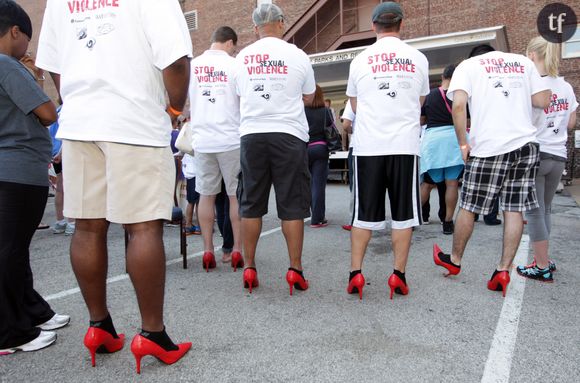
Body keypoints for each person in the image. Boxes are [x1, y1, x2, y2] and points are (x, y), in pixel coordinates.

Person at [36, 0, 193, 373]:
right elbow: (175, 61)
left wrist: (80, 100)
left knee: (87, 226)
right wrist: (173, 110)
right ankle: (152, 334)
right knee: (143, 226)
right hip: (134, 120)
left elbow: (54, 66)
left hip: (79, 123)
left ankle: (99, 327)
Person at [433, 44, 551, 296]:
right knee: (514, 208)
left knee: (470, 206)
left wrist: (463, 142)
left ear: (474, 56)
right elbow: (543, 100)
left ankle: (454, 260)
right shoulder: (522, 63)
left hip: (489, 146)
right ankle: (503, 270)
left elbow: (458, 106)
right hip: (526, 144)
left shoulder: (468, 66)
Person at [345, 2, 428, 300]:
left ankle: (356, 273)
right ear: (401, 24)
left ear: (374, 26)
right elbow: (419, 102)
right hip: (404, 146)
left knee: (363, 215)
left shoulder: (359, 60)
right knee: (404, 215)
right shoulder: (418, 58)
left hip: (369, 147)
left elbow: (354, 106)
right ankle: (398, 275)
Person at [0, 0, 69, 355]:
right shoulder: (6, 65)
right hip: (15, 168)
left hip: (16, 168)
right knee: (9, 250)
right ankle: (10, 332)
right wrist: (34, 80)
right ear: (15, 32)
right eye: (27, 38)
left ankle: (31, 310)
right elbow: (45, 112)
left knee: (15, 249)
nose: (28, 47)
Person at [233, 3, 316, 295]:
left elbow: (237, 96)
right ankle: (295, 269)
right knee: (292, 203)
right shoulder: (297, 55)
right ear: (281, 23)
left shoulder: (241, 58)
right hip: (288, 134)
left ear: (255, 27)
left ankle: (250, 267)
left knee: (251, 202)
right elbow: (309, 95)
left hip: (252, 134)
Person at [517, 37, 578, 282]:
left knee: (534, 212)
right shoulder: (566, 87)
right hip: (558, 155)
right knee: (546, 209)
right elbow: (572, 123)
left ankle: (541, 265)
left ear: (532, 55)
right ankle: (544, 259)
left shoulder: (532, 85)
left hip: (537, 154)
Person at [189, 26, 243, 271]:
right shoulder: (234, 65)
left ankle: (208, 250)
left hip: (203, 139)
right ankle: (237, 250)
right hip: (230, 138)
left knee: (206, 196)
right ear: (230, 42)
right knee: (234, 195)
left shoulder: (193, 66)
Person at [419, 64, 463, 234]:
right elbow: (465, 122)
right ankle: (448, 222)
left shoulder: (429, 95)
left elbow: (421, 120)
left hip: (433, 141)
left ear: (444, 76)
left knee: (427, 184)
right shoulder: (460, 95)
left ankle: (411, 217)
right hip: (453, 140)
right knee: (452, 184)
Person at [305, 85, 332, 228]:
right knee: (319, 185)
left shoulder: (301, 111)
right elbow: (330, 128)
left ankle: (308, 213)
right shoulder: (325, 111)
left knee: (307, 184)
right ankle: (317, 218)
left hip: (304, 149)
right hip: (320, 148)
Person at [341, 100, 356, 232]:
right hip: (390, 145)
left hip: (359, 146)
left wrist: (353, 130)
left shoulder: (353, 100)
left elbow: (345, 125)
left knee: (356, 186)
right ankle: (403, 222)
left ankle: (355, 221)